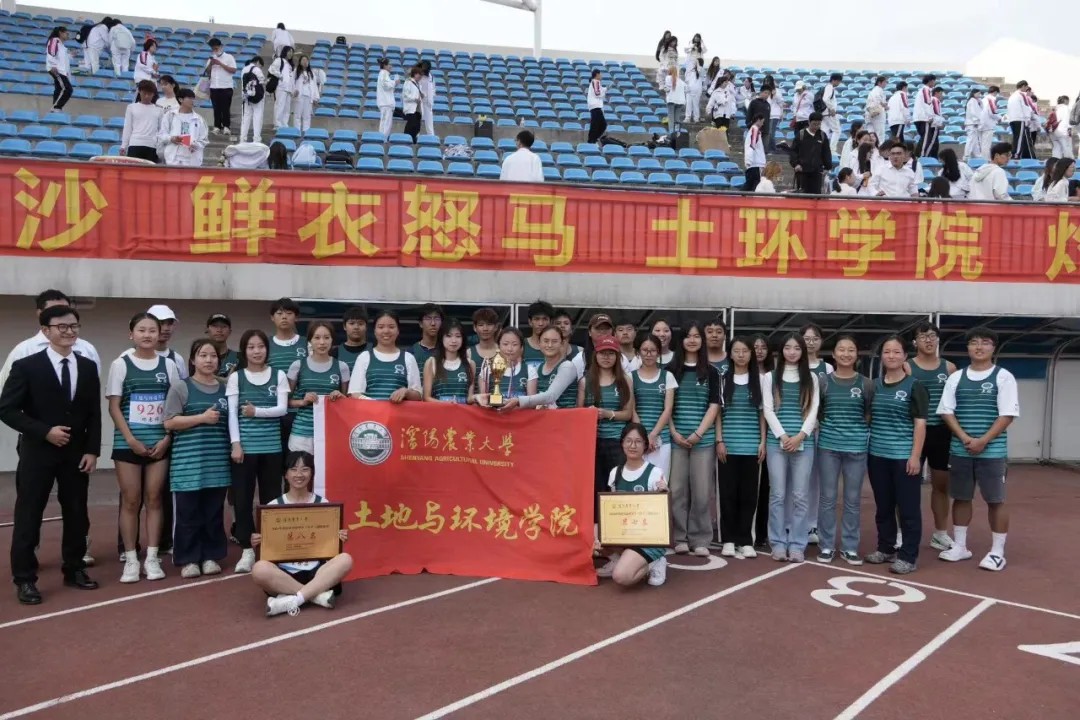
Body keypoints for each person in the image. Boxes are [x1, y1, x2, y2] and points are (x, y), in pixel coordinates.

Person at [1, 305, 101, 605]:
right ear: (46, 331)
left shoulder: (87, 366)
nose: (69, 331)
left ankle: (74, 568)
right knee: (29, 514)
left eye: (74, 326)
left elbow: (93, 413)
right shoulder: (26, 365)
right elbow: (7, 409)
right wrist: (44, 431)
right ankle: (25, 579)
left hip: (76, 454)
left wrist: (92, 450)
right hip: (38, 452)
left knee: (77, 512)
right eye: (62, 327)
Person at [937, 328, 1019, 571]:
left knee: (996, 500)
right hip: (960, 450)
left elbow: (1007, 415)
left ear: (993, 347)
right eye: (974, 343)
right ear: (968, 348)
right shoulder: (956, 377)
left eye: (985, 343)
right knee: (961, 497)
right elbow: (946, 411)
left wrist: (983, 440)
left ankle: (997, 552)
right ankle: (960, 546)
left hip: (992, 453)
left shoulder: (1004, 377)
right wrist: (965, 438)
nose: (979, 347)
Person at [108, 313, 181, 583]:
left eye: (152, 330)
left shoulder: (169, 365)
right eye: (142, 330)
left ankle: (152, 557)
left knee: (154, 499)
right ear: (131, 334)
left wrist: (167, 438)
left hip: (159, 442)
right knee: (131, 500)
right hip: (128, 443)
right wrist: (130, 439)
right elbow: (114, 406)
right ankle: (130, 558)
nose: (147, 335)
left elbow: (175, 405)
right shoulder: (120, 364)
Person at [252, 451, 353, 617]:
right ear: (285, 474)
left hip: (317, 571)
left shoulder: (324, 505)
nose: (299, 474)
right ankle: (316, 596)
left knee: (346, 559)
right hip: (285, 573)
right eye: (293, 469)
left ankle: (292, 599)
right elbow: (267, 549)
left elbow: (331, 546)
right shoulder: (272, 507)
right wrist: (258, 542)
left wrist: (339, 537)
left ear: (312, 473)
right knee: (259, 569)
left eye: (305, 469)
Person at [164, 339, 231, 579]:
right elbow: (170, 422)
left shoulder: (226, 388)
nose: (209, 360)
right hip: (188, 464)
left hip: (217, 463)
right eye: (203, 355)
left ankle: (211, 556)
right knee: (187, 514)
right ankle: (189, 559)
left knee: (213, 513)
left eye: (213, 356)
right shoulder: (181, 387)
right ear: (193, 359)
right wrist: (201, 418)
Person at [227, 329, 289, 574]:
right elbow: (232, 414)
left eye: (260, 346)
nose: (256, 351)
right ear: (245, 351)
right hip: (245, 449)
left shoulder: (279, 375)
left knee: (271, 498)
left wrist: (257, 412)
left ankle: (271, 546)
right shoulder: (237, 377)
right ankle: (247, 549)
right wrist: (236, 443)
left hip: (272, 448)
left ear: (267, 349)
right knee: (242, 499)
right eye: (251, 347)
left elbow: (282, 409)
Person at [865, 336, 928, 575]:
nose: (891, 356)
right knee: (883, 506)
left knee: (908, 508)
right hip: (877, 455)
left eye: (896, 352)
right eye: (887, 352)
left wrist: (915, 457)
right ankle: (885, 547)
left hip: (903, 457)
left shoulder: (914, 386)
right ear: (881, 356)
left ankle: (908, 556)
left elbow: (920, 424)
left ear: (904, 356)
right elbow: (869, 417)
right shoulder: (874, 386)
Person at [762, 333, 819, 563]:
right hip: (777, 444)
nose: (792, 352)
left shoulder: (811, 378)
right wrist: (784, 436)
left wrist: (800, 436)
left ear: (802, 351)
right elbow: (768, 410)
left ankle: (797, 544)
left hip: (804, 444)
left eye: (797, 348)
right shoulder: (770, 377)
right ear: (781, 350)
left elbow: (814, 409)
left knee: (800, 496)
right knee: (777, 495)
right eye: (788, 347)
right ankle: (777, 543)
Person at [816, 335, 872, 565]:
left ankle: (850, 547)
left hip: (856, 448)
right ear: (834, 354)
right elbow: (819, 412)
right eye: (841, 349)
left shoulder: (866, 384)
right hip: (828, 447)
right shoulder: (823, 382)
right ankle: (826, 545)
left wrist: (856, 432)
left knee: (852, 499)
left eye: (851, 350)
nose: (846, 354)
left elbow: (868, 413)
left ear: (857, 355)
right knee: (827, 498)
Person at [667, 322, 720, 557]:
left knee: (701, 492)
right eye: (687, 336)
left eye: (697, 336)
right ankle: (679, 537)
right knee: (677, 490)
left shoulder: (711, 372)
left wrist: (698, 433)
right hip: (676, 440)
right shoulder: (670, 370)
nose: (692, 340)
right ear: (681, 341)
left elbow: (714, 406)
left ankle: (700, 538)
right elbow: (666, 407)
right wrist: (674, 433)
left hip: (703, 441)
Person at [904, 322, 958, 552]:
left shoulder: (950, 368)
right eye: (923, 336)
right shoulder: (906, 367)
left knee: (941, 485)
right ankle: (903, 533)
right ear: (914, 342)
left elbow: (955, 403)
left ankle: (940, 533)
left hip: (941, 432)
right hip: (913, 431)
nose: (928, 340)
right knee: (907, 486)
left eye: (933, 335)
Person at [595, 423, 669, 587]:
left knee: (621, 577)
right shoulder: (615, 472)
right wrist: (603, 535)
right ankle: (618, 559)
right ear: (622, 443)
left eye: (638, 441)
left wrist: (664, 492)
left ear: (645, 445)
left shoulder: (655, 473)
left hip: (648, 539)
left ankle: (655, 562)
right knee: (594, 531)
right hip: (626, 533)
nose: (633, 446)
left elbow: (662, 513)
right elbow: (612, 510)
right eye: (628, 441)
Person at [718, 337, 764, 559]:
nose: (741, 355)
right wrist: (719, 440)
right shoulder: (723, 379)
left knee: (749, 496)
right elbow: (718, 414)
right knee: (728, 495)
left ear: (751, 354)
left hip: (752, 447)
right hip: (728, 447)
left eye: (745, 351)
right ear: (730, 354)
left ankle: (745, 540)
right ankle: (728, 539)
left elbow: (762, 414)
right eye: (736, 351)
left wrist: (762, 441)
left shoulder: (760, 380)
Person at [287, 322, 350, 453]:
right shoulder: (297, 365)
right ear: (310, 340)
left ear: (332, 340)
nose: (322, 342)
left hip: (331, 432)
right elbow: (286, 401)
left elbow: (349, 403)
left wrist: (340, 397)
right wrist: (302, 401)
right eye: (317, 338)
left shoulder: (342, 367)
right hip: (302, 433)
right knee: (301, 466)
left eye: (326, 337)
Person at [347, 310, 422, 402]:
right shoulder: (364, 357)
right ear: (374, 331)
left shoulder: (408, 358)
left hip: (399, 411)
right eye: (381, 327)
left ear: (398, 331)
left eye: (391, 327)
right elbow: (354, 393)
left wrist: (406, 392)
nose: (386, 331)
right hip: (370, 411)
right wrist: (376, 404)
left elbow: (418, 396)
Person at [629, 335, 676, 476]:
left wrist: (653, 435)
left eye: (653, 350)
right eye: (645, 350)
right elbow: (631, 409)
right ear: (638, 352)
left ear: (658, 353)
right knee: (637, 480)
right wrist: (643, 436)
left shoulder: (667, 376)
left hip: (662, 440)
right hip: (637, 440)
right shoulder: (630, 377)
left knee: (660, 482)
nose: (649, 354)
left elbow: (668, 409)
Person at [423, 319, 476, 403]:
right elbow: (426, 398)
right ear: (441, 338)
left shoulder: (470, 364)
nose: (454, 340)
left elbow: (469, 399)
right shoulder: (431, 363)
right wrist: (446, 404)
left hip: (462, 411)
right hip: (439, 411)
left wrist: (476, 398)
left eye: (458, 336)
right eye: (448, 336)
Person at [159, 88, 208, 166]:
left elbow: (204, 139)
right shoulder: (170, 115)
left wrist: (195, 144)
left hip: (192, 160)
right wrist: (172, 138)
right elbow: (162, 134)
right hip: (173, 158)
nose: (192, 101)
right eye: (189, 98)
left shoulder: (199, 119)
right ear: (180, 99)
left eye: (193, 98)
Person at [790, 112, 833, 194]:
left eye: (819, 124)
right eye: (814, 124)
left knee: (816, 196)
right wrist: (796, 164)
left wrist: (827, 167)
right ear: (809, 122)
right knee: (803, 195)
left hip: (817, 172)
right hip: (802, 171)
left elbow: (826, 152)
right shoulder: (801, 134)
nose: (816, 127)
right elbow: (793, 151)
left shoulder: (822, 135)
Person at [121, 80, 163, 162]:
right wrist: (124, 146)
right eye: (144, 93)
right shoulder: (131, 107)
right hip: (135, 144)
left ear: (153, 94)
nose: (147, 96)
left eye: (149, 94)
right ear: (139, 92)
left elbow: (161, 130)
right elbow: (127, 128)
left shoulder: (159, 110)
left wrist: (160, 147)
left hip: (152, 146)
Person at [204, 38, 237, 137]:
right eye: (213, 49)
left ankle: (226, 127)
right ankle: (217, 127)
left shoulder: (229, 57)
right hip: (214, 87)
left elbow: (233, 70)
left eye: (216, 48)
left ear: (221, 47)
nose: (215, 50)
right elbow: (207, 72)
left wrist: (220, 64)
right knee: (216, 108)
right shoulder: (211, 58)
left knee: (225, 108)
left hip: (226, 87)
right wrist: (211, 64)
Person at [238, 56, 266, 144]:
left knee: (245, 118)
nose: (260, 67)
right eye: (261, 65)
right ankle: (256, 139)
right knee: (257, 117)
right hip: (257, 97)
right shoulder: (257, 70)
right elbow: (262, 81)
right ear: (258, 62)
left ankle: (243, 138)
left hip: (246, 97)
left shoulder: (244, 69)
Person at [45, 26, 74, 111]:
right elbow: (51, 52)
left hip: (60, 70)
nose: (68, 35)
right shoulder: (55, 40)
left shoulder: (62, 46)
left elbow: (63, 58)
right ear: (60, 33)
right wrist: (53, 64)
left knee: (59, 89)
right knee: (67, 89)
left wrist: (71, 55)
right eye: (67, 33)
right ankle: (56, 107)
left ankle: (55, 108)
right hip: (57, 69)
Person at [268, 46, 295, 131]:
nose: (290, 53)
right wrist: (280, 76)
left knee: (287, 108)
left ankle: (284, 124)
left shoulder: (290, 64)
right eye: (289, 51)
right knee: (279, 105)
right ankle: (277, 124)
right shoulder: (279, 60)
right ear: (285, 52)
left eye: (292, 52)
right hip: (281, 87)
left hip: (288, 89)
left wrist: (293, 89)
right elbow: (271, 69)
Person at [292, 54, 319, 133]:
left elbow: (314, 86)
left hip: (308, 96)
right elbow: (291, 83)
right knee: (297, 114)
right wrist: (294, 90)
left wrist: (315, 97)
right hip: (299, 95)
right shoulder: (296, 71)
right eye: (303, 60)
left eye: (306, 60)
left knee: (307, 115)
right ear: (300, 62)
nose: (305, 62)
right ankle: (296, 131)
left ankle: (306, 131)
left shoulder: (311, 73)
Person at [410, 303, 444, 367]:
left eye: (436, 318)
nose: (433, 323)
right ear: (421, 323)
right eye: (428, 318)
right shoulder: (411, 353)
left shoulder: (447, 351)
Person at [913, 74, 936, 158]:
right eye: (934, 81)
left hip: (919, 117)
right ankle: (921, 157)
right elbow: (927, 103)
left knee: (924, 138)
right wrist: (930, 117)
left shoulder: (922, 90)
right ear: (930, 81)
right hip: (923, 118)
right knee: (926, 139)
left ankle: (917, 155)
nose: (934, 83)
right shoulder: (926, 89)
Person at [821, 73, 843, 153]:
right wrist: (832, 109)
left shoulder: (828, 87)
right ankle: (832, 149)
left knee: (825, 131)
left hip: (824, 113)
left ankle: (824, 149)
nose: (839, 83)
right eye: (838, 81)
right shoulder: (829, 87)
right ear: (834, 80)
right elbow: (825, 99)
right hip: (829, 113)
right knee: (837, 130)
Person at [744, 114, 766, 192]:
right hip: (755, 163)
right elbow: (752, 145)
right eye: (762, 122)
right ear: (758, 120)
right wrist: (749, 160)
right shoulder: (755, 130)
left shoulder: (754, 130)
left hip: (754, 163)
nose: (763, 124)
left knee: (751, 185)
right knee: (752, 186)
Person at [376, 57, 398, 137]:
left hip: (385, 103)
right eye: (389, 64)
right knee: (386, 124)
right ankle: (383, 139)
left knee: (383, 124)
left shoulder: (383, 74)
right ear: (385, 65)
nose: (391, 66)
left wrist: (393, 83)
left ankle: (381, 139)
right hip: (386, 103)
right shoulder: (384, 74)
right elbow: (386, 85)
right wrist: (395, 82)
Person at [402, 65, 423, 143]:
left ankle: (413, 140)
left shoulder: (418, 84)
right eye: (419, 74)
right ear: (414, 74)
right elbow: (405, 96)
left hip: (417, 109)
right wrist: (415, 98)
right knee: (411, 125)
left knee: (417, 126)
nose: (420, 76)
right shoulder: (408, 82)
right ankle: (406, 139)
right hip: (410, 108)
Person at [587, 69, 608, 144]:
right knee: (601, 124)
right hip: (595, 106)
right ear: (597, 74)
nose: (601, 76)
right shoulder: (596, 81)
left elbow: (599, 91)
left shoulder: (595, 82)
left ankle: (592, 140)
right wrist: (605, 90)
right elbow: (597, 93)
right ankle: (592, 140)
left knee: (596, 124)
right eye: (600, 74)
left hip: (595, 106)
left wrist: (605, 89)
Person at [963, 89, 984, 161]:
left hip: (974, 123)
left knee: (975, 140)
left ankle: (977, 155)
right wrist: (977, 120)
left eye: (980, 94)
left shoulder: (976, 101)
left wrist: (980, 102)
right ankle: (967, 155)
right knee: (971, 139)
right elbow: (974, 112)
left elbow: (980, 110)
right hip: (972, 123)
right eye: (978, 93)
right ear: (974, 93)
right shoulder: (972, 101)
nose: (979, 95)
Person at [865, 75, 887, 139]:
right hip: (877, 115)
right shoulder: (879, 90)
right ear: (879, 82)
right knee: (879, 135)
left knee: (871, 135)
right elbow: (878, 101)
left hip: (870, 114)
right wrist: (885, 105)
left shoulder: (873, 91)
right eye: (885, 82)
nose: (886, 84)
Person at [419, 60, 437, 137]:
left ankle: (431, 137)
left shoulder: (431, 77)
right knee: (418, 120)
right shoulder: (418, 76)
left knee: (429, 122)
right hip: (419, 101)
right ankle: (416, 137)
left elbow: (433, 88)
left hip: (428, 102)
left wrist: (431, 96)